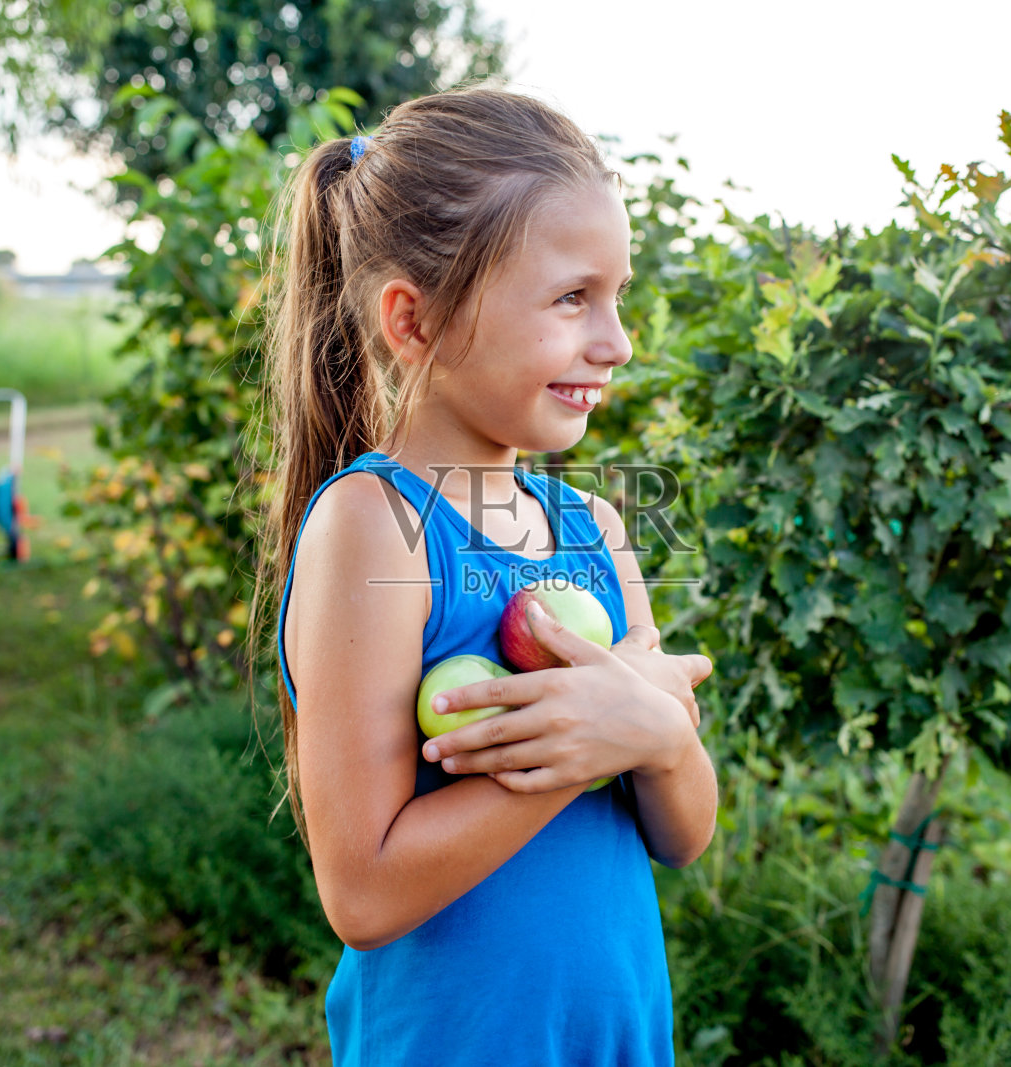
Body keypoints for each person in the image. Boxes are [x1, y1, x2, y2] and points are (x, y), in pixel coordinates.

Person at [260, 85, 718, 1066]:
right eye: (569, 298)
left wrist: (662, 737)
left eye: (617, 295)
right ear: (413, 322)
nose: (617, 341)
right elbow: (364, 892)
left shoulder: (591, 525)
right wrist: (595, 739)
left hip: (615, 1040)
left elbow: (682, 833)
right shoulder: (376, 527)